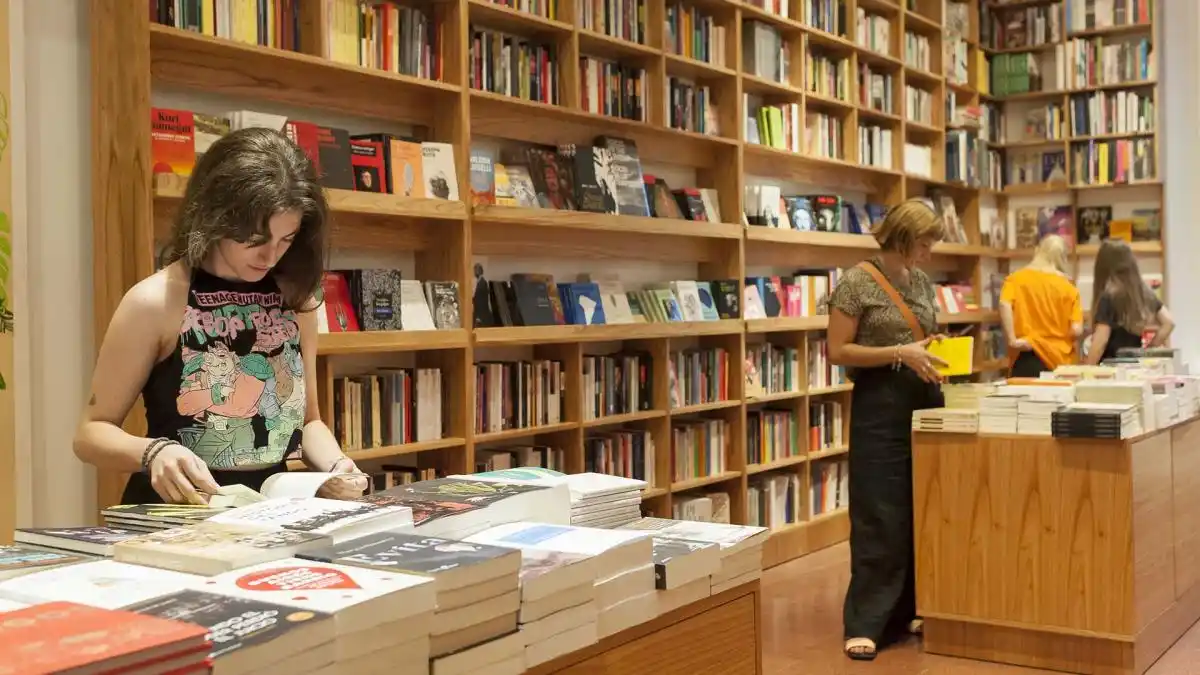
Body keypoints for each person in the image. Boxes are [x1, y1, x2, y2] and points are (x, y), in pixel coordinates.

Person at [73, 128, 368, 505]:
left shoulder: (297, 299)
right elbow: (90, 433)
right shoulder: (155, 301)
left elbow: (308, 421)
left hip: (266, 513)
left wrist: (338, 465)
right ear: (215, 216)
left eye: (286, 239)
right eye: (255, 239)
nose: (270, 256)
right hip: (176, 517)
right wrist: (153, 452)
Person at [826, 198, 948, 661]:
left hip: (922, 400)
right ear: (901, 237)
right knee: (880, 512)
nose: (930, 252)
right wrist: (901, 353)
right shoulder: (856, 282)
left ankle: (908, 609)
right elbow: (838, 351)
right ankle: (866, 621)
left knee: (919, 508)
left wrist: (929, 350)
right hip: (880, 407)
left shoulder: (919, 281)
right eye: (924, 242)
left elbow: (917, 338)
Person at [999, 235, 1084, 377]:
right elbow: (1076, 330)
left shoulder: (1016, 279)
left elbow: (1004, 304)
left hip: (1026, 354)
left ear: (1038, 251)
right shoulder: (1068, 286)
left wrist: (1012, 339)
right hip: (1060, 362)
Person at [1085, 239, 1174, 364]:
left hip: (1111, 369)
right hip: (1134, 366)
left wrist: (1086, 370)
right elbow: (1168, 323)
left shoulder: (1109, 296)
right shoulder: (1143, 292)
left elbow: (1101, 342)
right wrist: (1148, 350)